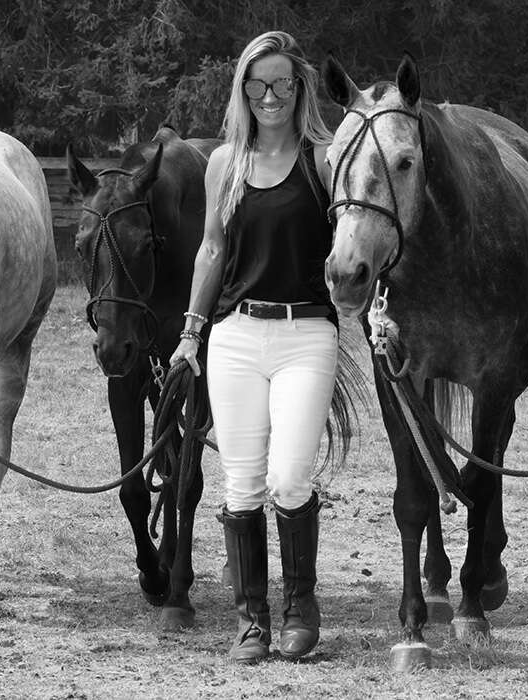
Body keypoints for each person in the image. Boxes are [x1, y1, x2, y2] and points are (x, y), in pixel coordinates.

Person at [168, 30, 339, 663]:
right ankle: (252, 621)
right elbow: (211, 250)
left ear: (299, 91)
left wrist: (373, 306)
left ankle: (301, 608)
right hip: (235, 335)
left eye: (283, 84)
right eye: (259, 84)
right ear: (244, 89)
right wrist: (190, 333)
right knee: (240, 484)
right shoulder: (225, 164)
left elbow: (355, 241)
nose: (271, 95)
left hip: (307, 334)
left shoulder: (323, 159)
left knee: (290, 475)